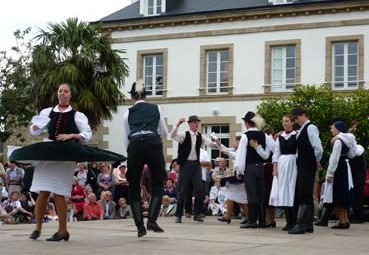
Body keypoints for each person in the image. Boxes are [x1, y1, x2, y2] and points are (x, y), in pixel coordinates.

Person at [9, 83, 125, 241]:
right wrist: (36, 126)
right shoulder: (47, 112)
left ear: (70, 95)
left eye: (65, 91)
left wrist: (70, 135)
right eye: (60, 91)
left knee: (58, 193)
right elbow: (35, 130)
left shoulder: (77, 115)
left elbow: (87, 134)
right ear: (57, 94)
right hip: (48, 155)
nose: (62, 94)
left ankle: (62, 230)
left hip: (65, 156)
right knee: (42, 192)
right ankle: (37, 228)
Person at [122, 80, 168, 237]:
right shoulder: (157, 108)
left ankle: (140, 226)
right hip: (153, 143)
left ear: (132, 97)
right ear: (146, 96)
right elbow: (164, 131)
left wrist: (131, 153)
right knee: (158, 180)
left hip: (135, 145)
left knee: (133, 184)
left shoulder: (127, 113)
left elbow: (126, 138)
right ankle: (152, 220)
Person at [171, 115, 217, 223]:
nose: (196, 124)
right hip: (185, 165)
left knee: (199, 189)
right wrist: (177, 124)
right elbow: (173, 135)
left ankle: (197, 214)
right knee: (182, 190)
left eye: (197, 122)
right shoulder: (183, 135)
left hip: (196, 165)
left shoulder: (200, 136)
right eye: (194, 122)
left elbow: (210, 144)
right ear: (190, 124)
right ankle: (178, 215)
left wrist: (216, 142)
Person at [234, 111, 273, 228]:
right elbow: (268, 154)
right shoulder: (264, 135)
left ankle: (252, 221)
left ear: (246, 123)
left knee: (251, 195)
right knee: (261, 194)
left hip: (250, 168)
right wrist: (259, 148)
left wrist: (238, 171)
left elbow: (241, 155)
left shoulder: (245, 136)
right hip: (261, 167)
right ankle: (261, 221)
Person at [288, 108, 323, 234]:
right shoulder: (302, 129)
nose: (295, 121)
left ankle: (301, 224)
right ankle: (308, 225)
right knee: (305, 194)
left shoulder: (310, 127)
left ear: (303, 115)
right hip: (303, 165)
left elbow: (318, 148)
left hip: (307, 165)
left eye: (296, 118)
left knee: (304, 194)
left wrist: (315, 161)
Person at [322, 121, 356, 229]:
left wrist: (330, 173)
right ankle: (345, 220)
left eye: (332, 128)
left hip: (339, 168)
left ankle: (342, 221)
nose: (331, 130)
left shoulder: (338, 140)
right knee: (344, 193)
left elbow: (334, 158)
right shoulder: (349, 139)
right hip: (346, 167)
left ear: (338, 129)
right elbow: (352, 154)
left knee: (339, 194)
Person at [269, 115, 298, 231]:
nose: (284, 123)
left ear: (292, 122)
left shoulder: (296, 135)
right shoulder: (280, 137)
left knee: (291, 191)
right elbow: (276, 153)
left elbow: (298, 151)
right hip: (282, 164)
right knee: (283, 192)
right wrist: (275, 169)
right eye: (283, 122)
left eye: (286, 121)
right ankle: (288, 222)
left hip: (293, 164)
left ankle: (294, 221)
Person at [215, 136, 248, 225]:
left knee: (234, 196)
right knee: (238, 198)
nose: (233, 143)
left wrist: (228, 152)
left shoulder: (243, 150)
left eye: (234, 141)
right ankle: (245, 216)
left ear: (239, 142)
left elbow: (237, 156)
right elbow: (225, 149)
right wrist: (218, 142)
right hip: (237, 174)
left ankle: (229, 216)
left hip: (241, 175)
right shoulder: (235, 150)